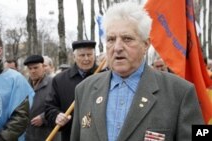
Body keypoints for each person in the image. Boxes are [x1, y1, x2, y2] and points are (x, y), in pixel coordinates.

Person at [70, 2, 204, 141]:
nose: (117, 47)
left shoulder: (180, 92)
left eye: (127, 39)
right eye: (111, 39)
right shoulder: (84, 90)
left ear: (146, 44)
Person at [44, 40, 98, 141]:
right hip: (71, 135)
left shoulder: (105, 76)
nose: (86, 58)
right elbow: (49, 107)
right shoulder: (60, 80)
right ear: (74, 57)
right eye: (82, 55)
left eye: (89, 54)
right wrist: (56, 115)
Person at [23, 55, 53, 141]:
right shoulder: (23, 84)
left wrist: (44, 118)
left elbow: (61, 106)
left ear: (43, 67)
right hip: (27, 135)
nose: (33, 71)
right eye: (30, 68)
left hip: (46, 134)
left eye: (36, 68)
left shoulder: (53, 83)